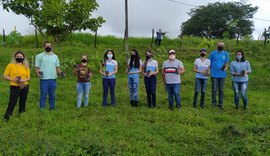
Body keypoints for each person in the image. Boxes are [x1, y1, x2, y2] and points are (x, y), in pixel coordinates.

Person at [3, 51, 30, 120]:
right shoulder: (10, 65)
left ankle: (21, 114)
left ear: (23, 57)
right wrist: (13, 79)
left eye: (21, 57)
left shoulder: (26, 66)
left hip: (24, 86)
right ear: (15, 57)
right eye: (17, 56)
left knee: (23, 101)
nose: (19, 58)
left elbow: (28, 77)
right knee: (12, 101)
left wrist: (23, 80)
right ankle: (7, 116)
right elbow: (5, 75)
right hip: (14, 86)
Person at [35, 41, 61, 110]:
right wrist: (37, 73)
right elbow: (37, 67)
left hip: (53, 79)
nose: (48, 47)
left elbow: (57, 67)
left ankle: (52, 108)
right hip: (43, 79)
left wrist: (61, 73)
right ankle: (42, 108)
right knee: (43, 94)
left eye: (49, 46)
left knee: (52, 95)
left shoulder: (55, 56)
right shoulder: (39, 56)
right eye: (46, 46)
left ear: (51, 47)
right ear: (44, 47)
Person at [209, 42, 229, 110]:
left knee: (221, 90)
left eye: (222, 45)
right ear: (217, 46)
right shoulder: (212, 53)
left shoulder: (226, 54)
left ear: (224, 46)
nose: (221, 46)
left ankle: (221, 104)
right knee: (214, 90)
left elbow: (226, 64)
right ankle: (214, 103)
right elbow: (209, 63)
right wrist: (209, 71)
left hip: (222, 75)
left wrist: (225, 68)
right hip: (214, 74)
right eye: (220, 45)